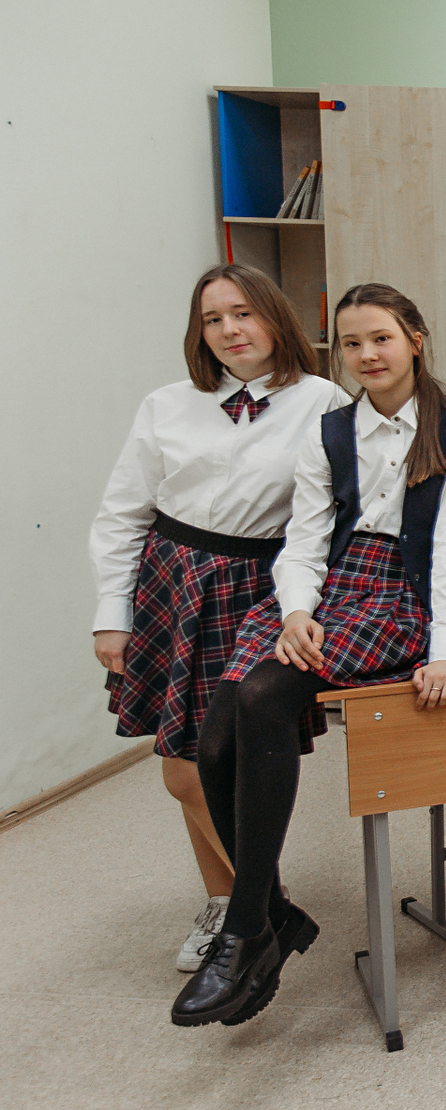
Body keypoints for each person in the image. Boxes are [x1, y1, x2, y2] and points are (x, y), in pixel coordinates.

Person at [173, 283, 446, 1028]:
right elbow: (305, 540)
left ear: (414, 338)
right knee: (212, 742)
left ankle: (248, 928)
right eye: (351, 343)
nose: (366, 355)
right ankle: (272, 914)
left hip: (406, 591)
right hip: (330, 587)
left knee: (263, 697)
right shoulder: (332, 430)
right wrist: (295, 611)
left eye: (381, 338)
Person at [91, 264, 350, 973]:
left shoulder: (323, 402)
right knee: (181, 767)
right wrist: (112, 613)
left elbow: (334, 516)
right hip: (171, 584)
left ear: (274, 317)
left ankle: (250, 907)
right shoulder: (167, 405)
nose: (230, 330)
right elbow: (122, 514)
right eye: (213, 319)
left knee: (220, 762)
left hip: (258, 589)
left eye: (243, 313)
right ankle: (243, 904)